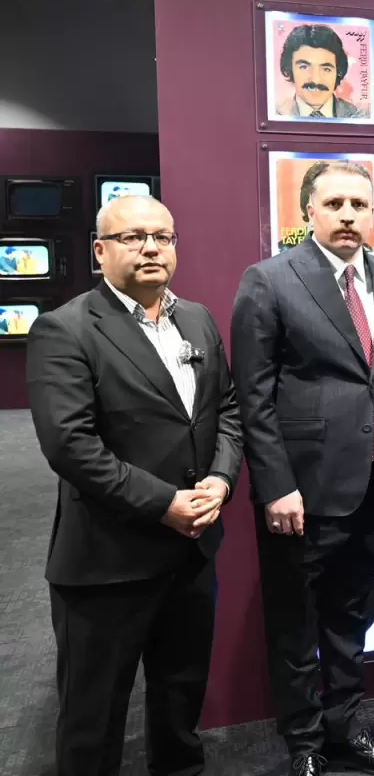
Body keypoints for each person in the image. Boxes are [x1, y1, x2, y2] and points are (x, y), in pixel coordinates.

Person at [26, 194, 243, 776]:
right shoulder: (66, 328)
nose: (150, 248)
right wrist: (164, 503)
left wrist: (221, 479)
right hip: (108, 562)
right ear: (100, 251)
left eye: (162, 237)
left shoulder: (196, 318)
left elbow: (226, 409)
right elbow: (70, 446)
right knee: (93, 722)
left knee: (180, 704)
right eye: (132, 237)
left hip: (191, 553)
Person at [231, 160, 374, 776]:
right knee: (296, 624)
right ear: (308, 210)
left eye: (359, 205)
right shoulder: (269, 280)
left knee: (352, 613)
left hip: (369, 480)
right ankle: (305, 746)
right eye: (334, 204)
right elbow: (252, 395)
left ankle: (345, 728)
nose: (347, 216)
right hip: (300, 491)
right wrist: (275, 484)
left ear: (372, 214)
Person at [276, 24, 364, 118]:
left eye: (326, 69)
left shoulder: (360, 115)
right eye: (304, 67)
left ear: (338, 72)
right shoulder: (276, 114)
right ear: (289, 70)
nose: (316, 80)